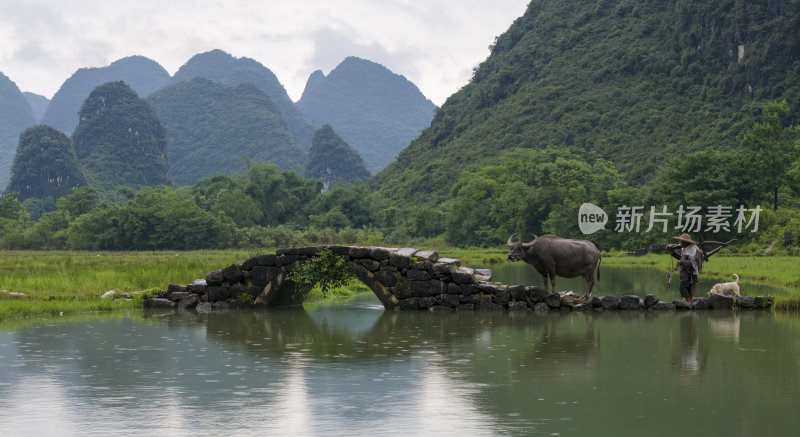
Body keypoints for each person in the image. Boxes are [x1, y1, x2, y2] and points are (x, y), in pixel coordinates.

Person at [667, 233, 703, 303]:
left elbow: (694, 263)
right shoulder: (685, 249)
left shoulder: (692, 250)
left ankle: (688, 305)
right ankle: (690, 305)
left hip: (689, 274)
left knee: (684, 289)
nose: (680, 243)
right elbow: (681, 257)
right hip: (685, 274)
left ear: (687, 242)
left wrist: (682, 262)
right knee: (688, 291)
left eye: (682, 242)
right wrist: (673, 252)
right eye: (680, 241)